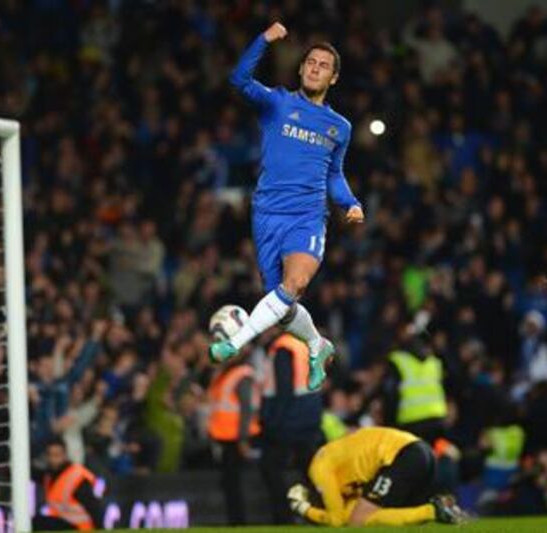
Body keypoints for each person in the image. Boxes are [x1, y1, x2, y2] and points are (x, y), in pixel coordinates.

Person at [210, 21, 364, 393]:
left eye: (323, 65)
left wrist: (350, 202)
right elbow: (239, 80)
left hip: (307, 217)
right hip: (266, 214)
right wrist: (263, 39)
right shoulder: (278, 103)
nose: (314, 67)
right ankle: (317, 344)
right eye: (309, 62)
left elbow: (334, 174)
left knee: (294, 284)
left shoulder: (338, 127)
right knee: (281, 306)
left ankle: (236, 342)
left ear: (334, 78)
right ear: (300, 69)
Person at [287, 426, 466, 526]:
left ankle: (434, 510)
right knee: (390, 516)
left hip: (401, 457)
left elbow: (337, 520)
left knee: (357, 520)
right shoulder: (332, 455)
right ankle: (443, 509)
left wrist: (303, 508)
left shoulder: (318, 469)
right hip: (420, 450)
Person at [259, 333, 323, 523]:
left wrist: (271, 423)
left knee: (269, 466)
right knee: (311, 471)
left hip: (289, 421)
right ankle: (320, 513)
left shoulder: (283, 349)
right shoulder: (303, 343)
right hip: (309, 417)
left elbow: (284, 390)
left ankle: (284, 517)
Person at [207, 346, 261, 525]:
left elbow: (247, 408)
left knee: (236, 485)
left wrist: (243, 439)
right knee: (230, 484)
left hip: (236, 438)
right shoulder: (226, 373)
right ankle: (235, 522)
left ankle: (239, 522)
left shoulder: (241, 373)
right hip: (225, 438)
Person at [34, 439, 104, 531]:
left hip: (81, 527)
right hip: (63, 522)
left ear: (65, 455)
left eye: (57, 455)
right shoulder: (49, 476)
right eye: (50, 455)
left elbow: (94, 508)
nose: (53, 459)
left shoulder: (76, 476)